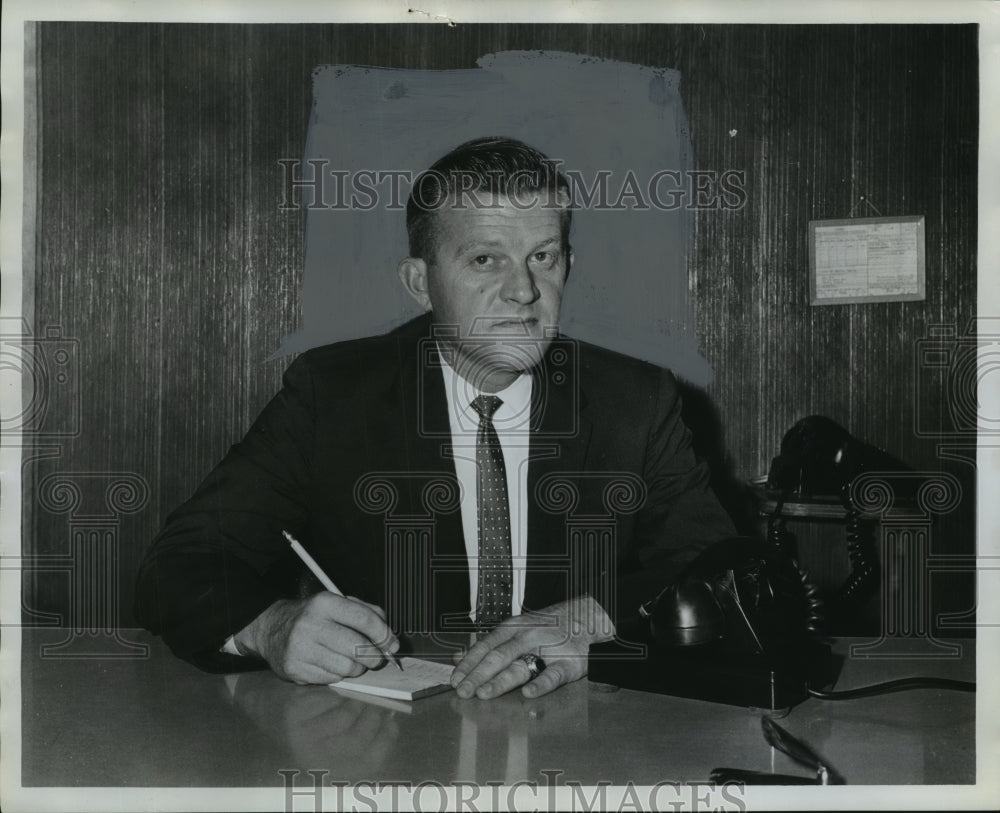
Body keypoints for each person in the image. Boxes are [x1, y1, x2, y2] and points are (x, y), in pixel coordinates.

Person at [134, 137, 735, 700]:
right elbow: (178, 565)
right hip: (384, 738)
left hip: (575, 729)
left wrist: (591, 618)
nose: (524, 291)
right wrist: (270, 625)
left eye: (543, 257)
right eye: (484, 259)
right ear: (420, 284)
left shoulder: (633, 398)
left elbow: (719, 562)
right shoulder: (334, 394)